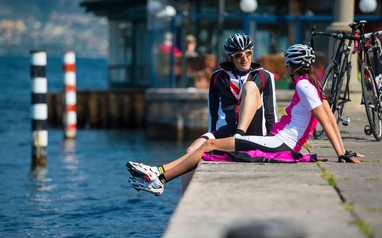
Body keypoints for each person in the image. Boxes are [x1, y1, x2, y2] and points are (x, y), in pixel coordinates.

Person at [126, 44, 361, 196]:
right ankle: (158, 177)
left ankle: (159, 174)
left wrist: (341, 154)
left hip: (280, 143)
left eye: (287, 65)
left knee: (209, 145)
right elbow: (330, 119)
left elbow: (326, 121)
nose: (287, 69)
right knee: (211, 148)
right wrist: (343, 151)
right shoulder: (313, 86)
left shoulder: (303, 85)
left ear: (292, 66)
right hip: (278, 140)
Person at [186, 33, 277, 154]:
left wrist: (272, 138)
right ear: (230, 57)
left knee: (249, 86)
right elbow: (213, 113)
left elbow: (270, 112)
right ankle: (162, 172)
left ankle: (239, 134)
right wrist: (211, 135)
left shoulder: (264, 76)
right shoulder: (217, 77)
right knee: (191, 150)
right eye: (239, 55)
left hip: (254, 132)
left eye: (248, 53)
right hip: (225, 131)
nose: (244, 58)